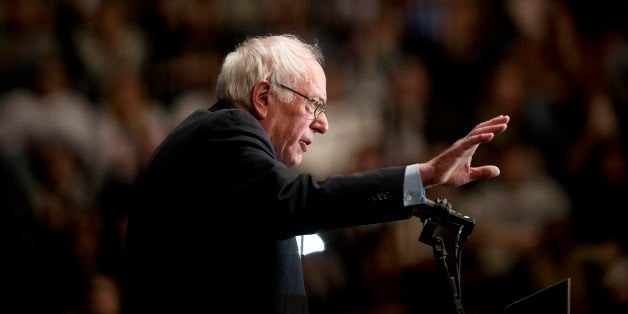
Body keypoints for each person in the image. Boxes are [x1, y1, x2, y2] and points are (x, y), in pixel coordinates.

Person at [120, 34, 510, 313]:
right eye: (314, 105)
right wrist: (422, 176)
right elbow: (303, 201)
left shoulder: (230, 159)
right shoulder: (225, 130)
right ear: (262, 97)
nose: (323, 125)